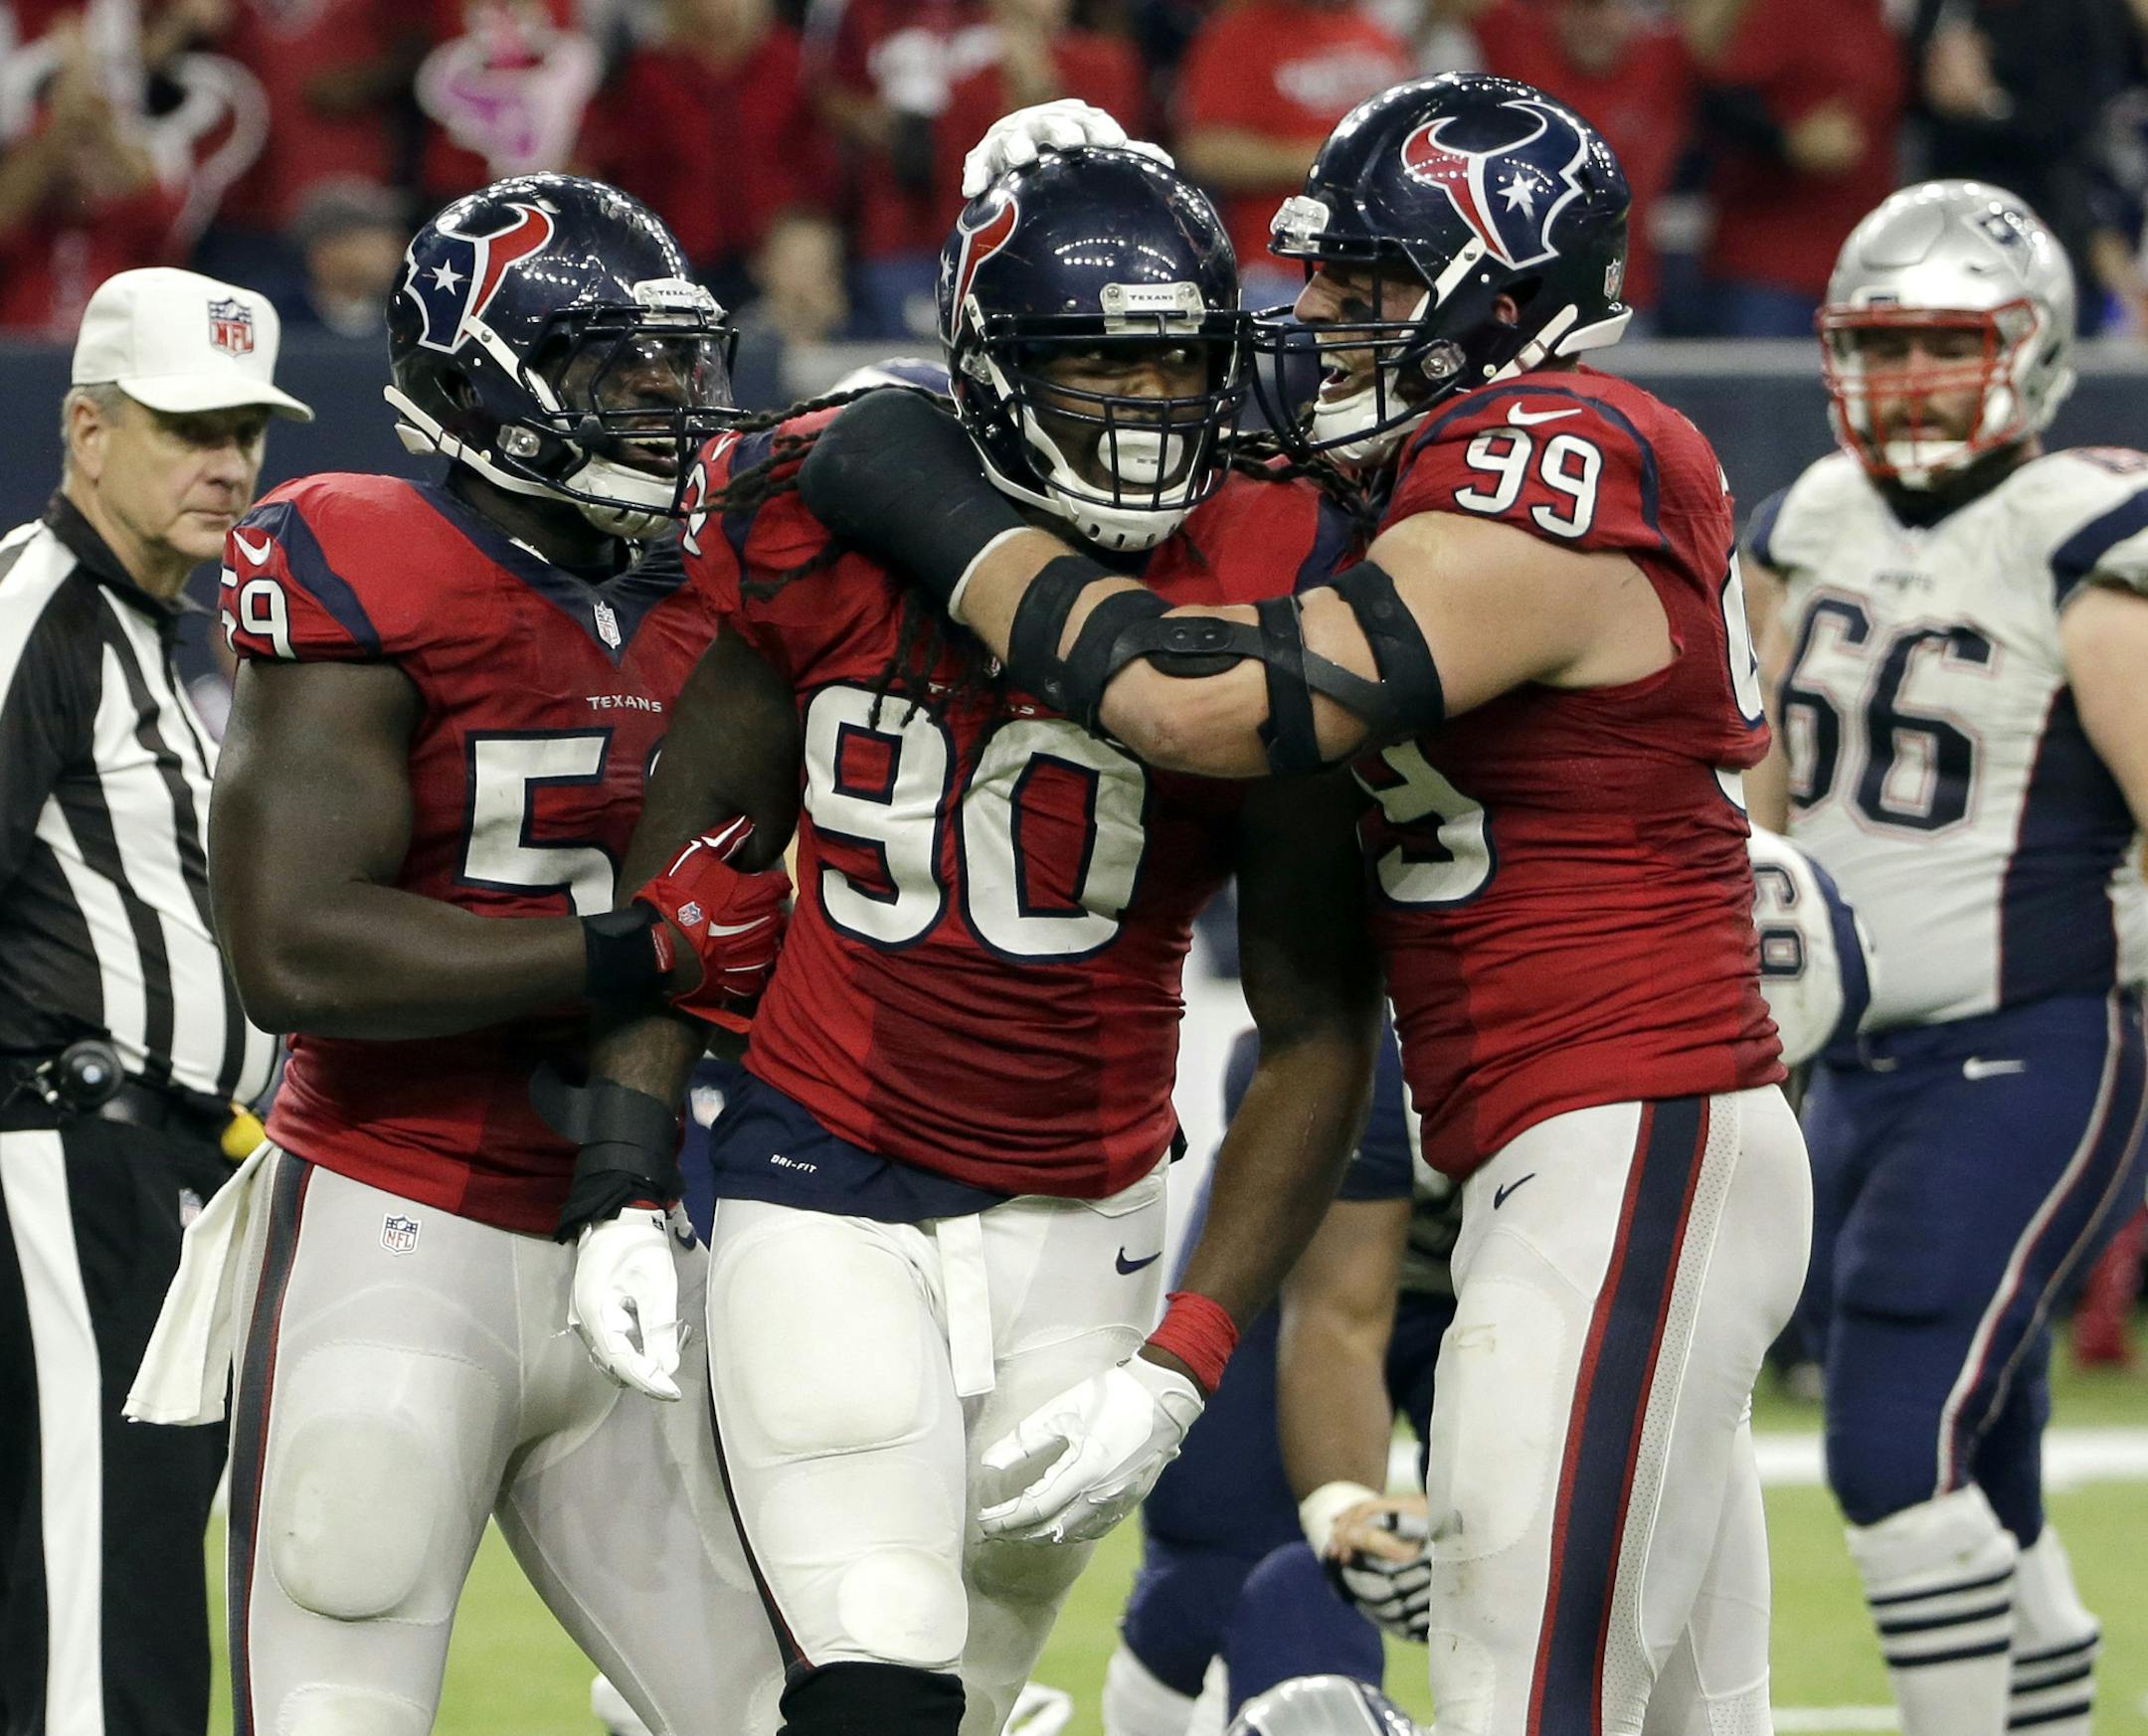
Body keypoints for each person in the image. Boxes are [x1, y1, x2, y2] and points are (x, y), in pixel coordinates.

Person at [796, 72, 1812, 1735]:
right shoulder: (1417, 477)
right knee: (1691, 1709)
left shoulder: (1569, 450)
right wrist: (1082, 216)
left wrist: (944, 509)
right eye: (1320, 280)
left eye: (1372, 289)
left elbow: (1215, 705)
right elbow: (1201, 473)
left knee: (1518, 1676)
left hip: (1637, 1116)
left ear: (1506, 294)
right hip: (1566, 1132)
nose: (1319, 321)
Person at [566, 144, 1384, 1736]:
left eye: (1184, 357)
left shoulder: (1274, 561)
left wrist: (1182, 1359)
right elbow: (692, 878)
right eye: (1104, 355)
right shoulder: (833, 505)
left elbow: (1317, 1023)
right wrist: (624, 1167)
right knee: (883, 1674)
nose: (1153, 398)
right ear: (997, 370)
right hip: (824, 1164)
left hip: (1091, 1205)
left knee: (968, 1676)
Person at [138, 174, 787, 1736]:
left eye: (670, 366)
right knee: (337, 1702)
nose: (657, 405)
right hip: (393, 1215)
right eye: (608, 368)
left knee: (794, 1709)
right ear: (479, 378)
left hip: (631, 1231)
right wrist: (634, 954)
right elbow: (294, 951)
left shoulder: (715, 592)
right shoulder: (367, 549)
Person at [1742, 178, 2148, 1736]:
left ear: (2030, 351)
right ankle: (2039, 1689)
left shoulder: (2084, 532)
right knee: (1992, 1433)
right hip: (1855, 1052)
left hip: (2036, 1033)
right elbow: (1766, 808)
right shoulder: (1806, 521)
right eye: (1880, 344)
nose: (1907, 380)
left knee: (1892, 1421)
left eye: (1943, 343)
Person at [0, 264, 302, 1736]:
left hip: (162, 1171)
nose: (228, 463)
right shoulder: (40, 609)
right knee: (89, 1613)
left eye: (244, 427)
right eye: (186, 425)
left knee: (129, 1594)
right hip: (64, 1156)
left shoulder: (138, 631)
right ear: (84, 431)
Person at [1108, 1024, 1454, 1736]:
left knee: (1576, 1563)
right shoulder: (1380, 1057)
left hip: (1537, 1289)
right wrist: (1341, 1516)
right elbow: (1338, 1315)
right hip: (1311, 1250)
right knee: (1235, 1560)